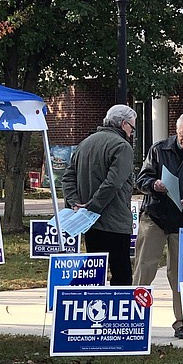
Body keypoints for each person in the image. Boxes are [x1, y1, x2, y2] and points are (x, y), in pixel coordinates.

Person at [132, 112, 183, 340]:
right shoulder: (159, 149)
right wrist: (153, 184)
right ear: (176, 130)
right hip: (155, 215)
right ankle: (136, 317)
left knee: (180, 275)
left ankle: (182, 322)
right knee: (144, 268)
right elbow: (141, 179)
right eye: (182, 134)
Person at [62, 104, 137, 285]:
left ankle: (95, 310)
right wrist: (92, 206)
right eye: (132, 128)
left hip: (88, 224)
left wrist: (75, 203)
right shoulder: (122, 146)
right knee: (121, 274)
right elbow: (113, 183)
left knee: (95, 273)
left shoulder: (84, 143)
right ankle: (120, 312)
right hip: (115, 223)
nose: (132, 133)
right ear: (124, 124)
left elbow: (67, 177)